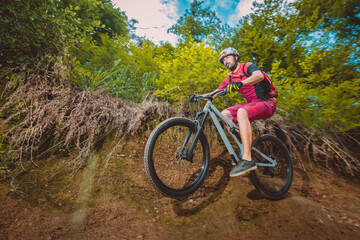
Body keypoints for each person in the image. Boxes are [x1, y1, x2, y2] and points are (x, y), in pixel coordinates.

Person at [207, 47, 277, 177]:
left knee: (241, 112)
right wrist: (198, 96)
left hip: (266, 102)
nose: (225, 62)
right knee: (224, 114)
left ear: (236, 57)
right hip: (252, 105)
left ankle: (247, 159)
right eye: (223, 61)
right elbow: (214, 93)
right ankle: (246, 147)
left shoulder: (247, 67)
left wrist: (241, 83)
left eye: (227, 58)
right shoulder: (230, 79)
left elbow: (259, 75)